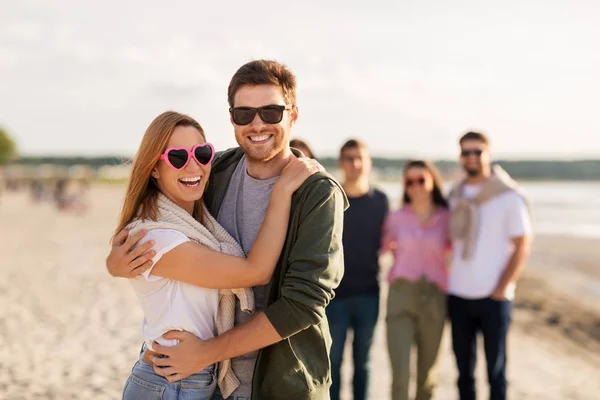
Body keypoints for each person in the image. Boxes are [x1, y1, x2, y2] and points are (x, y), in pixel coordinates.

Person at [106, 59, 348, 400]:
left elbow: (304, 304)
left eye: (271, 112)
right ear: (232, 117)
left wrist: (208, 352)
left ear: (292, 115)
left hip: (281, 384)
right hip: (211, 383)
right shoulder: (214, 170)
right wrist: (117, 263)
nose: (257, 123)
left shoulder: (316, 193)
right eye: (244, 113)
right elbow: (160, 211)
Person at [447, 131, 532, 400]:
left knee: (496, 373)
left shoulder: (508, 196)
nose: (471, 157)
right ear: (461, 156)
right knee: (464, 373)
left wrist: (501, 288)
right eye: (466, 152)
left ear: (488, 155)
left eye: (477, 152)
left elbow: (522, 245)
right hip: (459, 293)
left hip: (494, 297)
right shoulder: (455, 195)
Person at [381, 160, 450, 400]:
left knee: (427, 377)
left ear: (432, 180)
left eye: (421, 179)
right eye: (410, 181)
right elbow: (379, 249)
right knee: (400, 375)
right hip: (401, 295)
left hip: (434, 297)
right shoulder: (395, 217)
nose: (416, 186)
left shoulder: (447, 217)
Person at [327, 139, 388, 400]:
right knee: (333, 363)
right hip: (334, 295)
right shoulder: (331, 197)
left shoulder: (381, 201)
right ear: (341, 164)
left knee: (363, 364)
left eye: (360, 158)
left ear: (368, 162)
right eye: (349, 158)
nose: (355, 164)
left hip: (369, 294)